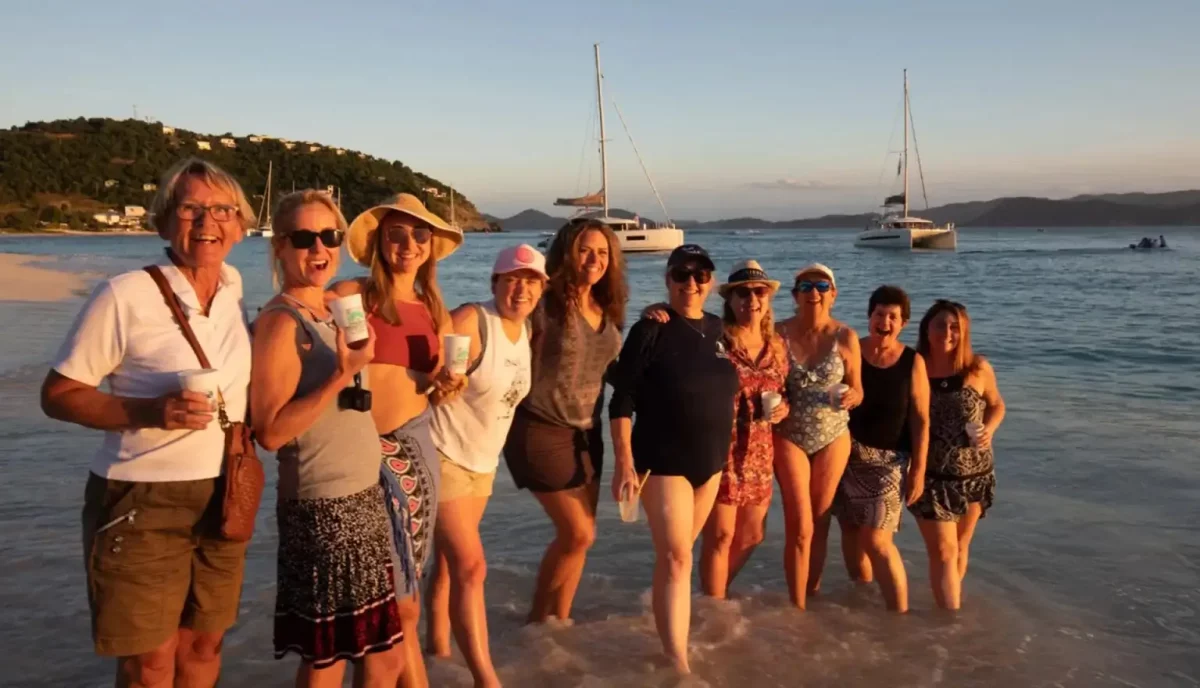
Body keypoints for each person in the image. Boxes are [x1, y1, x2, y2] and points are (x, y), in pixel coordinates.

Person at [39, 158, 254, 687]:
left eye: (222, 209)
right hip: (141, 500)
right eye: (191, 209)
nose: (208, 222)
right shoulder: (124, 294)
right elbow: (59, 394)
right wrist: (149, 412)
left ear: (241, 225)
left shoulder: (232, 286)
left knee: (204, 644)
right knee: (149, 661)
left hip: (225, 492)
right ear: (163, 221)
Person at [251, 191, 406, 686]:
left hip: (359, 499)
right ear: (279, 247)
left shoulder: (331, 309)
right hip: (325, 510)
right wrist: (342, 375)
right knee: (333, 660)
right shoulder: (281, 322)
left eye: (330, 236)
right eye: (303, 237)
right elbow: (270, 432)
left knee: (371, 655)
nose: (319, 247)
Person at [333, 192, 464, 688]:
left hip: (413, 451)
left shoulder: (434, 309)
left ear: (431, 245)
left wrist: (449, 385)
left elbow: (440, 388)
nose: (408, 244)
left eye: (419, 235)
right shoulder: (353, 294)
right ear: (379, 242)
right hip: (356, 448)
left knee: (405, 592)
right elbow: (301, 319)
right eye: (396, 234)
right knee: (382, 595)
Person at [609, 244, 739, 674]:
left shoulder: (720, 328)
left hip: (712, 464)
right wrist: (623, 460)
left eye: (700, 275)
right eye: (681, 275)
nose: (691, 283)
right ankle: (677, 662)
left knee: (678, 556)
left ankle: (674, 639)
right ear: (667, 280)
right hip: (661, 460)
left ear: (711, 282)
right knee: (677, 558)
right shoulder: (651, 329)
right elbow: (622, 398)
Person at [425, 244, 548, 687]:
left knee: (447, 564)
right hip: (443, 455)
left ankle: (435, 653)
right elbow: (426, 377)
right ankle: (486, 679)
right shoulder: (472, 322)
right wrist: (440, 383)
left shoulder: (526, 330)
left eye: (532, 281)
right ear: (495, 283)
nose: (522, 289)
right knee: (472, 567)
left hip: (481, 462)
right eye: (513, 279)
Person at [502, 219, 626, 624]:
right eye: (585, 250)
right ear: (567, 253)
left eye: (603, 253)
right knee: (578, 533)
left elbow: (617, 372)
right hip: (539, 428)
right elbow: (506, 333)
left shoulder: (608, 308)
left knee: (581, 539)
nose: (594, 260)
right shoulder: (547, 302)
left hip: (587, 436)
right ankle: (537, 620)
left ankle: (559, 625)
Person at [699, 260, 790, 599]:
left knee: (752, 536)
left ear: (768, 299)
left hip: (760, 453)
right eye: (743, 293)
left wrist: (783, 409)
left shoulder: (778, 346)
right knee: (720, 536)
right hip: (721, 450)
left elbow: (786, 394)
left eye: (759, 292)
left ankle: (712, 593)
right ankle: (713, 604)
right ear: (730, 300)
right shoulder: (717, 340)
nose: (751, 299)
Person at [836, 285, 930, 612]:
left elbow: (921, 418)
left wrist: (918, 470)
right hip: (844, 456)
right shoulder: (851, 351)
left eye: (893, 317)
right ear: (869, 316)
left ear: (903, 323)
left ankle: (898, 615)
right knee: (849, 531)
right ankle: (861, 598)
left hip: (889, 463)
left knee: (876, 541)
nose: (885, 322)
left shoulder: (912, 362)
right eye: (879, 314)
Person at [774, 263, 863, 605]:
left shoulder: (845, 337)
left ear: (834, 294)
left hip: (833, 435)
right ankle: (795, 607)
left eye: (822, 286)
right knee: (800, 525)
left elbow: (858, 389)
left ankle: (811, 593)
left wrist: (853, 396)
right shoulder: (778, 332)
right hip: (789, 432)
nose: (815, 292)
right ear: (795, 295)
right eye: (806, 286)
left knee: (821, 520)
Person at [912, 299, 1006, 610]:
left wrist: (989, 429)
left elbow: (996, 404)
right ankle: (950, 621)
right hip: (931, 478)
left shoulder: (977, 368)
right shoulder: (915, 366)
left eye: (955, 327)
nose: (947, 332)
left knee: (960, 547)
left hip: (974, 476)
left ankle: (949, 609)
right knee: (943, 552)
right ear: (927, 327)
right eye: (940, 324)